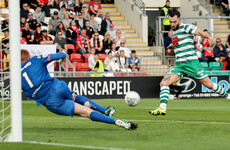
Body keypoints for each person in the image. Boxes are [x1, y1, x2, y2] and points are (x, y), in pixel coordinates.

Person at [21, 49, 137, 130]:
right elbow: (61, 55)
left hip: (51, 102)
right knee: (73, 96)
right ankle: (106, 111)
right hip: (58, 87)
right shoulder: (35, 60)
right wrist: (62, 55)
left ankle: (116, 121)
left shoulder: (16, 77)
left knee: (86, 113)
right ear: (28, 57)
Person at [149, 9, 230, 116]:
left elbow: (200, 32)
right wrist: (172, 46)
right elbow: (178, 44)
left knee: (209, 84)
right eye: (170, 22)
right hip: (179, 65)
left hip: (192, 63)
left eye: (174, 22)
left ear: (179, 20)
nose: (172, 24)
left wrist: (210, 37)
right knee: (163, 83)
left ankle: (228, 96)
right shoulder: (174, 33)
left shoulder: (186, 27)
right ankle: (162, 108)